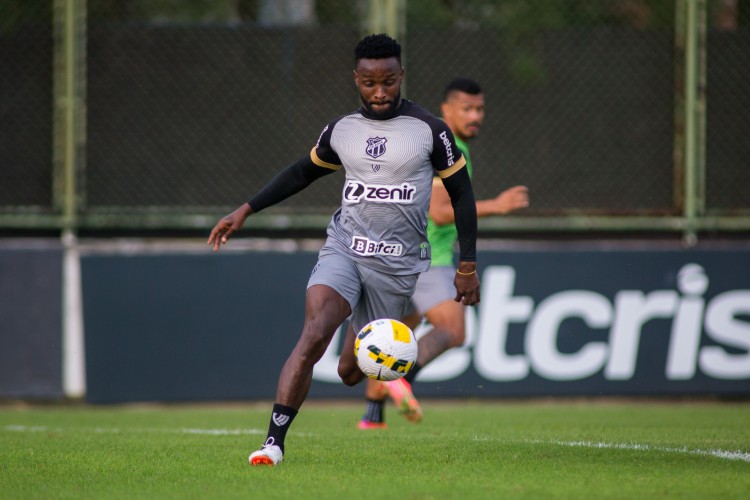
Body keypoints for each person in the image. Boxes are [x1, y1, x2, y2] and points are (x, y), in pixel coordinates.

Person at [207, 34, 480, 466]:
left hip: (396, 267)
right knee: (314, 333)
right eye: (369, 82)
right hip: (344, 250)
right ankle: (273, 444)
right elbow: (302, 172)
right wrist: (246, 209)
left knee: (351, 373)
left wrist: (467, 264)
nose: (379, 92)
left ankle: (363, 336)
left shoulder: (430, 131)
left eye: (388, 81)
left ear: (401, 76)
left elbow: (462, 196)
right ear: (356, 78)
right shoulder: (342, 130)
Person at [358, 77, 529, 429]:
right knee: (453, 330)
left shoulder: (435, 143)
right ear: (446, 110)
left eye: (480, 109)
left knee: (401, 330)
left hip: (395, 255)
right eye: (466, 108)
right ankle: (400, 378)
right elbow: (438, 211)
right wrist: (497, 205)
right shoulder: (451, 148)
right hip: (427, 256)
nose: (475, 115)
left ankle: (372, 418)